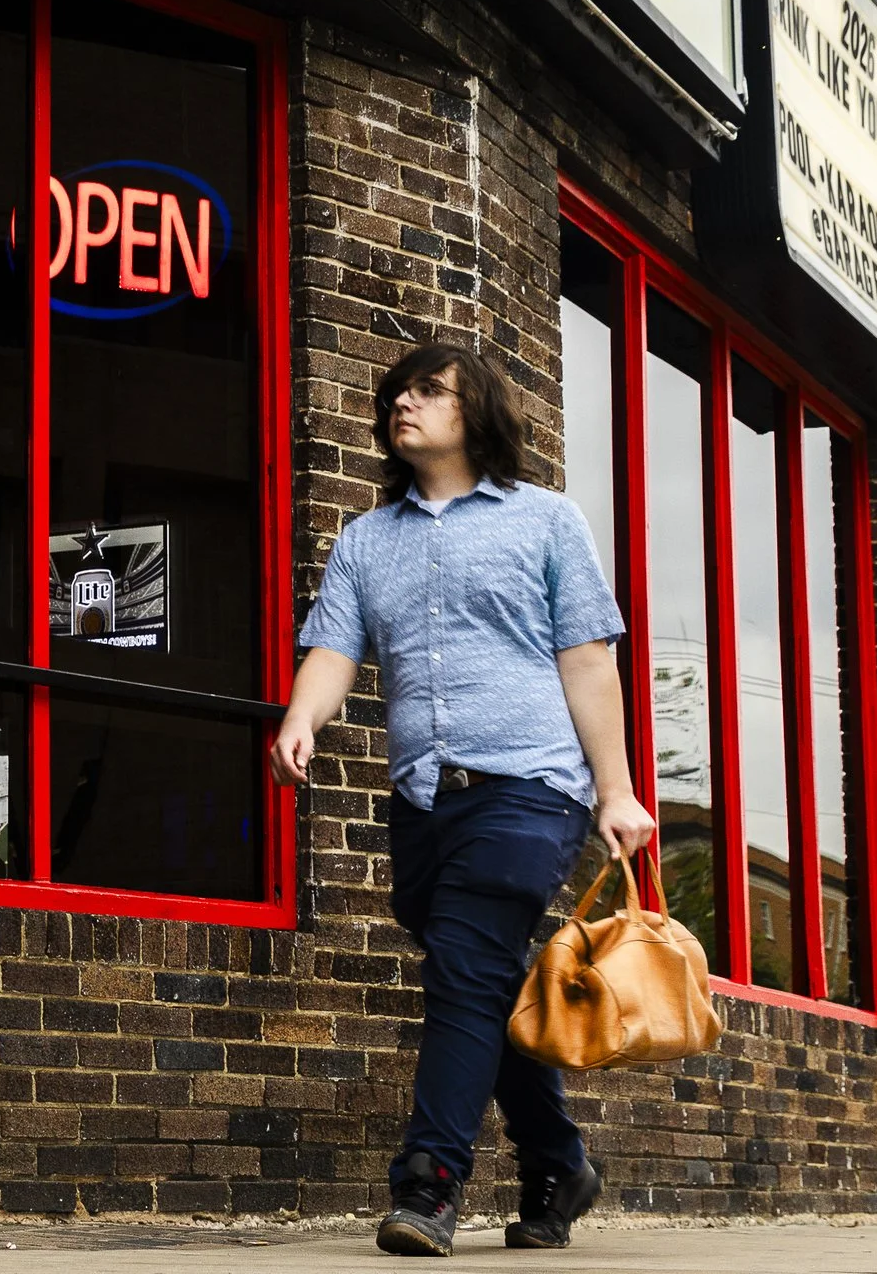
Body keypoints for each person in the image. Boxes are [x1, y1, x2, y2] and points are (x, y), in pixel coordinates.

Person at [270, 343, 654, 1257]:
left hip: (531, 785)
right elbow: (335, 650)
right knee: (483, 981)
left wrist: (618, 790)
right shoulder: (369, 540)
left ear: (476, 411)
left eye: (429, 390)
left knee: (466, 973)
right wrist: (302, 718)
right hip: (423, 798)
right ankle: (559, 1160)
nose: (405, 402)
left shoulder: (546, 522)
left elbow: (587, 659)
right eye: (397, 392)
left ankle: (430, 1183)